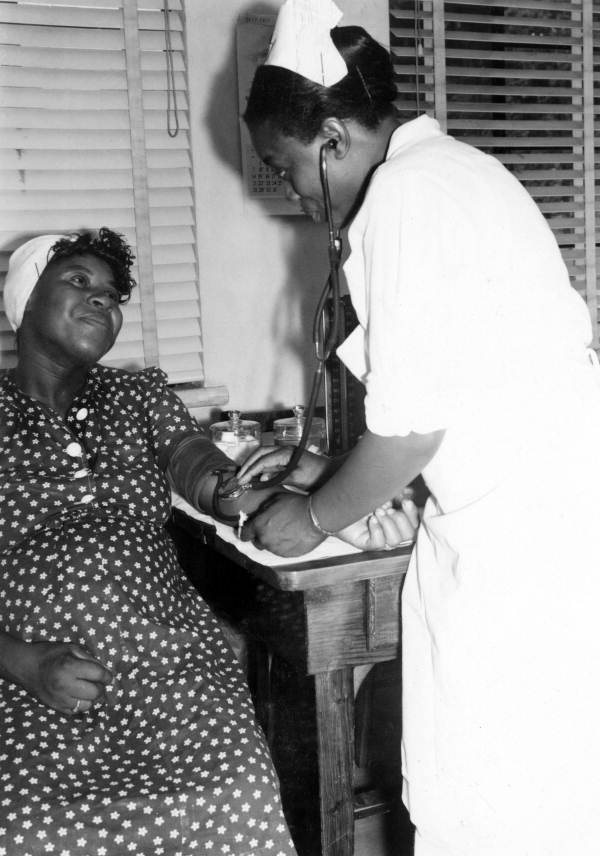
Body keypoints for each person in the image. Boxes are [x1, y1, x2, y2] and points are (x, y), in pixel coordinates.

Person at [237, 2, 600, 854]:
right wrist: (323, 464)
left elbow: (409, 435)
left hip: (520, 554)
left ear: (331, 137)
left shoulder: (404, 196)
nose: (290, 191)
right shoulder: (458, 171)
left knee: (494, 804)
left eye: (285, 168)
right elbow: (450, 380)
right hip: (547, 527)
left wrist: (309, 518)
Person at [0, 228, 298, 856]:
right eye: (78, 282)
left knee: (237, 787)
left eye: (112, 295)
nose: (101, 301)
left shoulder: (139, 395)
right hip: (24, 664)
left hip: (168, 655)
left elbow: (204, 472)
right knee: (27, 828)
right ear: (23, 301)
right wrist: (23, 662)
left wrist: (297, 500)